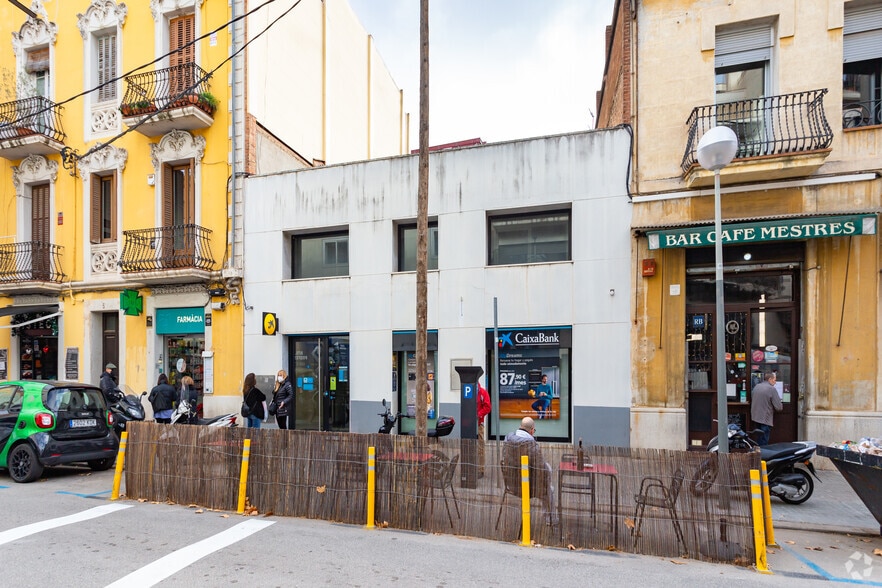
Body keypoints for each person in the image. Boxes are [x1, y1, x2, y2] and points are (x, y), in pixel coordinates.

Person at [504, 416, 556, 523]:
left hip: (511, 484)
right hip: (528, 487)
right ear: (531, 430)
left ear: (520, 427)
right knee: (549, 489)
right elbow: (541, 469)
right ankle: (550, 519)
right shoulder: (532, 446)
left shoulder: (508, 441)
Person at [751, 371, 783, 446]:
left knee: (759, 439)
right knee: (764, 441)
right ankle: (762, 453)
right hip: (765, 419)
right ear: (770, 379)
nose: (775, 382)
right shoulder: (771, 389)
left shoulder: (757, 386)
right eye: (774, 380)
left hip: (756, 417)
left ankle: (758, 451)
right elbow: (779, 407)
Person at [477, 380, 492, 477]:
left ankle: (480, 469)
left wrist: (479, 414)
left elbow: (487, 407)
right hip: (468, 424)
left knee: (480, 447)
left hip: (479, 424)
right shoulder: (468, 391)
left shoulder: (482, 392)